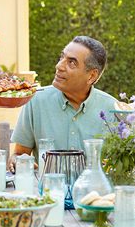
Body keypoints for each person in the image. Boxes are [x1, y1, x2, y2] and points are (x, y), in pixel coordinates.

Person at [9, 36, 117, 168]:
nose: (59, 66)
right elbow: (19, 154)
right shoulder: (35, 100)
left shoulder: (113, 110)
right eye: (62, 57)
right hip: (47, 188)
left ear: (91, 76)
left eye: (72, 62)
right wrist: (17, 161)